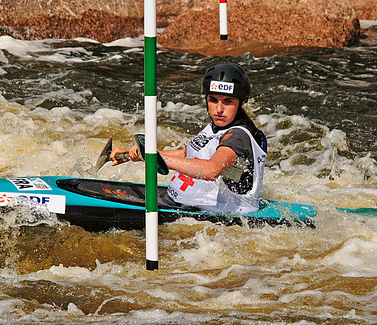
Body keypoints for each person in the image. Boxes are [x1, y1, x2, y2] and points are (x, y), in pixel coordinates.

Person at [110, 62, 267, 213]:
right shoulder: (214, 126)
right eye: (213, 100)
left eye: (228, 101)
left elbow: (211, 170)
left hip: (224, 215)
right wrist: (147, 154)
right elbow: (192, 154)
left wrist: (154, 159)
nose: (219, 109)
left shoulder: (237, 136)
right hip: (193, 203)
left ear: (242, 103)